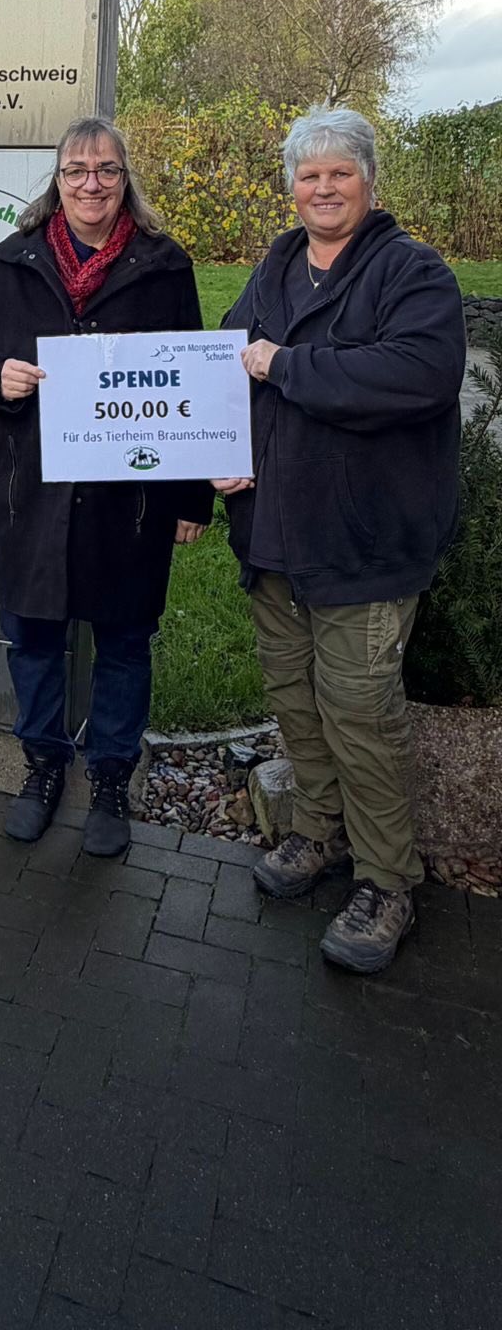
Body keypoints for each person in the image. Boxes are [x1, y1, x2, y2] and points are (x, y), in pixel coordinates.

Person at [213, 106, 465, 975]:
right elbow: (222, 365)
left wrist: (285, 365)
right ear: (291, 188)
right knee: (297, 699)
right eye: (308, 176)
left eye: (339, 174)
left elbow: (418, 376)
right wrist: (221, 449)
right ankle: (316, 832)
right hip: (276, 535)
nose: (322, 189)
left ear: (369, 182)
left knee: (362, 712)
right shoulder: (275, 268)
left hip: (363, 543)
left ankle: (388, 879)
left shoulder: (410, 273)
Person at [0, 117, 210, 856]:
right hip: (30, 493)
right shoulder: (12, 260)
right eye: (76, 170)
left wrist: (192, 498)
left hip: (129, 501)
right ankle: (41, 766)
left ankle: (109, 780)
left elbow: (194, 383)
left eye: (106, 170)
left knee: (125, 640)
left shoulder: (164, 266)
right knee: (32, 637)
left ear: (126, 179)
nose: (91, 184)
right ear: (56, 180)